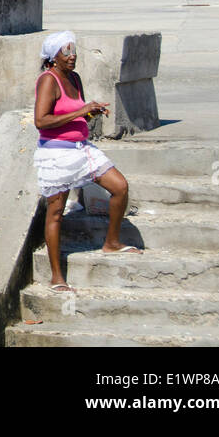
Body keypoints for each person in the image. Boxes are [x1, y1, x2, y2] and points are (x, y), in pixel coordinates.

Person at [33, 31, 139, 293]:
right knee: (55, 212)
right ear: (53, 58)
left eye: (74, 52)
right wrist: (79, 111)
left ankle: (111, 242)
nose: (72, 57)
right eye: (66, 52)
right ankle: (57, 277)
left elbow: (74, 113)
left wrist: (89, 113)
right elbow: (41, 121)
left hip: (82, 149)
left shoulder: (75, 78)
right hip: (57, 154)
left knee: (120, 187)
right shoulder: (48, 80)